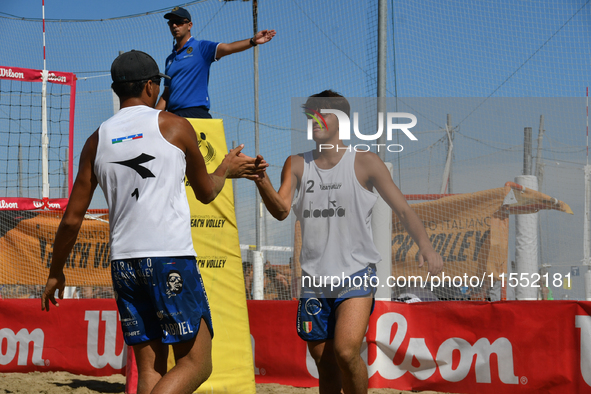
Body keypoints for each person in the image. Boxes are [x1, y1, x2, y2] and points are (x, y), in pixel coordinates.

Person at [41, 50, 267, 394]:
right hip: (169, 258)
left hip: (123, 265)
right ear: (150, 86)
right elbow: (206, 192)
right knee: (197, 364)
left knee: (150, 370)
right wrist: (226, 169)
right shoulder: (174, 125)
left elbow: (72, 220)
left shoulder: (96, 140)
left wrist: (56, 270)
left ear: (118, 89)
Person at [251, 90, 443, 394]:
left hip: (356, 274)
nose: (314, 119)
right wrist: (261, 180)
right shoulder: (297, 164)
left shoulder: (365, 161)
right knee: (324, 362)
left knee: (345, 352)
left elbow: (404, 209)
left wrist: (426, 246)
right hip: (315, 279)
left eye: (322, 113)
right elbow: (281, 210)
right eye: (310, 114)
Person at [156, 6, 276, 118]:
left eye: (179, 21)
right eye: (171, 22)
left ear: (189, 25)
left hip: (196, 113)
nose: (175, 25)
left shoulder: (201, 47)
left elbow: (228, 48)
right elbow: (166, 94)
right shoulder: (170, 59)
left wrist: (252, 41)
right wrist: (150, 116)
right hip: (173, 116)